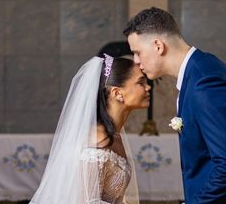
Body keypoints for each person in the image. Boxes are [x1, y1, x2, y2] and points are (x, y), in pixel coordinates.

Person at [124, 7, 226, 204]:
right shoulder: (200, 71)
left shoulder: (206, 83)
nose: (136, 61)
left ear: (158, 46)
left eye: (137, 52)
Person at [29, 55, 151, 204]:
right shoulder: (96, 142)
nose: (148, 87)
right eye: (140, 82)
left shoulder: (114, 135)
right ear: (117, 93)